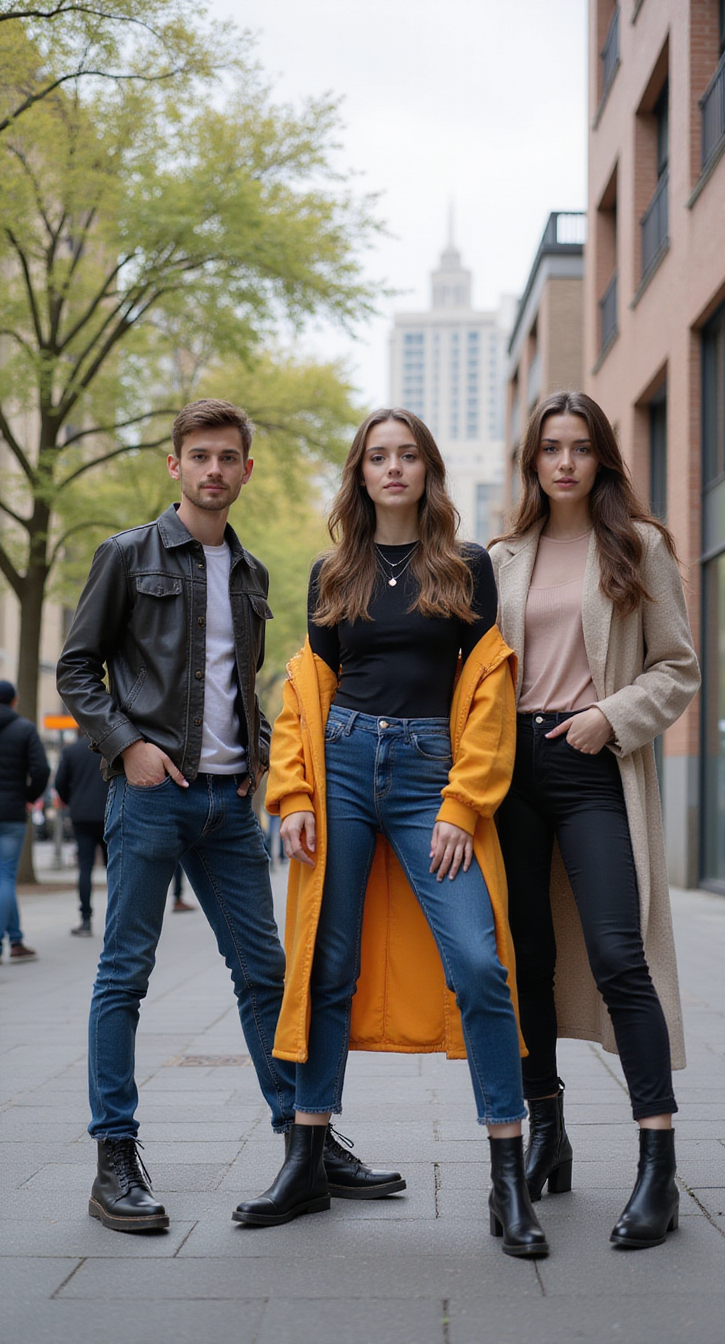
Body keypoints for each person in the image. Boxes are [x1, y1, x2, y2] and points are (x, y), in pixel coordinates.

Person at [57, 397, 398, 1235]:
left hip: (228, 805)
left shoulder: (251, 574)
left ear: (246, 469)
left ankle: (304, 1143)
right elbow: (77, 670)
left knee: (265, 976)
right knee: (124, 974)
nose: (214, 470)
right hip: (150, 796)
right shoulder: (127, 554)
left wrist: (257, 762)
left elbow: (242, 685)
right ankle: (113, 1158)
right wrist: (128, 746)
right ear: (175, 465)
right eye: (200, 456)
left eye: (228, 457)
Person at [233, 408, 548, 1260]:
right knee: (325, 964)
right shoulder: (333, 571)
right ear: (361, 473)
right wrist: (294, 793)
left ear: (427, 470)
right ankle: (305, 1160)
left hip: (429, 775)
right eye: (379, 456)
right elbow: (308, 688)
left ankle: (507, 1176)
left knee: (479, 963)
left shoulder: (465, 566)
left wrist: (462, 804)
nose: (394, 468)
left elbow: (490, 688)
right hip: (340, 768)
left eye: (408, 455)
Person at [490, 390, 700, 1250]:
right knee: (526, 960)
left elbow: (677, 666)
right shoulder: (502, 556)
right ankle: (548, 1132)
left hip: (592, 762)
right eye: (551, 448)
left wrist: (610, 716)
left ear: (602, 456)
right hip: (512, 771)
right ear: (533, 461)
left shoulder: (638, 546)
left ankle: (658, 1165)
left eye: (580, 447)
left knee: (620, 952)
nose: (565, 462)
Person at [0, 680, 49, 964]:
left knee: (3, 878)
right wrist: (28, 797)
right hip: (11, 813)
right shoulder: (24, 728)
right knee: (6, 876)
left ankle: (16, 939)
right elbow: (41, 769)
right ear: (14, 701)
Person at [54, 729, 109, 936]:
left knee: (85, 867)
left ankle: (86, 919)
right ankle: (119, 919)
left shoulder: (71, 751)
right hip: (108, 813)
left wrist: (72, 801)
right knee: (114, 868)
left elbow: (60, 783)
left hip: (81, 815)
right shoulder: (110, 748)